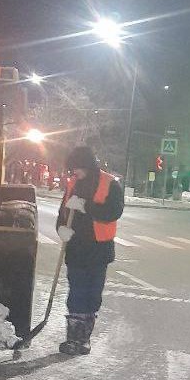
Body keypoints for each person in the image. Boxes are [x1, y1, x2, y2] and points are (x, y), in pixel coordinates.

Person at [56, 145, 124, 355]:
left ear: (86, 165)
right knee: (76, 292)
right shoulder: (73, 184)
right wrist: (61, 229)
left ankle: (84, 339)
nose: (73, 173)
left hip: (99, 249)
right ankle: (72, 339)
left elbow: (114, 212)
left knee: (92, 294)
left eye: (76, 168)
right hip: (76, 248)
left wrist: (86, 206)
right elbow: (63, 212)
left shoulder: (110, 183)